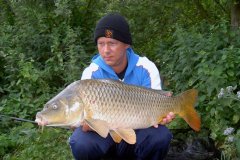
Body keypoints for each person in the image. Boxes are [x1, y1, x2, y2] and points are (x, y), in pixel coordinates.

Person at [69, 13, 175, 160]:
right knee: (81, 142)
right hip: (105, 135)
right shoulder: (91, 73)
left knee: (160, 136)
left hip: (138, 131)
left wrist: (162, 116)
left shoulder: (146, 67)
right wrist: (83, 123)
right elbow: (85, 125)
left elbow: (157, 105)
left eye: (112, 43)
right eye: (101, 43)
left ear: (126, 44)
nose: (106, 50)